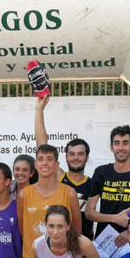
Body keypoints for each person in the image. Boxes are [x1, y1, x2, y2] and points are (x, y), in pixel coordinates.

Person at [33, 94, 96, 239]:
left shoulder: (93, 183)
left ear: (87, 157)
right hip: (58, 241)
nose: (75, 158)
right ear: (66, 157)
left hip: (83, 243)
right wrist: (39, 110)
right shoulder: (59, 176)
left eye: (80, 154)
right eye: (71, 154)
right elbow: (42, 145)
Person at [18, 143, 80, 258]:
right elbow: (22, 228)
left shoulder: (69, 193)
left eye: (49, 159)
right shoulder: (24, 194)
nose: (44, 163)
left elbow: (76, 229)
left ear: (57, 164)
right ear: (35, 164)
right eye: (40, 159)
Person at [30, 205, 103, 258]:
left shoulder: (84, 244)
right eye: (51, 226)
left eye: (60, 226)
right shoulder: (37, 247)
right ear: (46, 225)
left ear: (68, 226)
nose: (55, 232)